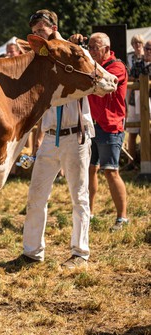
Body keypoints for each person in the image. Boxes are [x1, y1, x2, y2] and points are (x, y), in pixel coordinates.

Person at [21, 9, 93, 269]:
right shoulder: (37, 59)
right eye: (36, 29)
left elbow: (94, 74)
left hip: (76, 133)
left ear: (54, 28)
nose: (40, 32)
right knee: (36, 195)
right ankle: (32, 252)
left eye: (44, 28)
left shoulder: (75, 50)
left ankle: (80, 252)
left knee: (79, 196)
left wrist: (78, 45)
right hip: (51, 136)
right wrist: (38, 138)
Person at [71, 32, 129, 231]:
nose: (92, 51)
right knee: (90, 170)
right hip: (92, 126)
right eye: (91, 47)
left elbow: (96, 82)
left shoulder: (117, 67)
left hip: (110, 126)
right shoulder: (95, 64)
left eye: (95, 48)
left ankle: (122, 218)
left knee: (111, 172)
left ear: (106, 49)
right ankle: (90, 213)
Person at [125, 35, 148, 170]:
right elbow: (130, 78)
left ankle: (146, 161)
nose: (137, 45)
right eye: (135, 42)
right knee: (132, 131)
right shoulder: (130, 59)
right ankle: (131, 163)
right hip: (134, 100)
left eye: (139, 42)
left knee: (147, 131)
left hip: (148, 101)